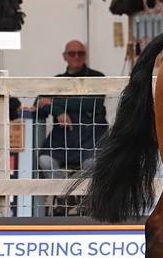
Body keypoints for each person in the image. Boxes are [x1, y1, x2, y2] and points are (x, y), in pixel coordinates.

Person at [35, 40, 108, 178]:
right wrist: (58, 112)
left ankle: (76, 194)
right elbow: (38, 103)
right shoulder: (58, 79)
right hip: (62, 139)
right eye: (72, 53)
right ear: (65, 56)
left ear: (85, 55)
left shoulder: (97, 77)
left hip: (91, 138)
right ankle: (66, 195)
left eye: (80, 53)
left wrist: (55, 101)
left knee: (93, 164)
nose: (76, 57)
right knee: (44, 161)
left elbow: (93, 104)